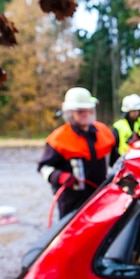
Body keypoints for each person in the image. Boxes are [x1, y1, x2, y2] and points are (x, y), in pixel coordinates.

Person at [37, 87, 119, 220]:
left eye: (88, 110)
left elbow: (116, 161)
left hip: (101, 195)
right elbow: (43, 168)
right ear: (70, 113)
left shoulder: (104, 132)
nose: (85, 114)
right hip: (72, 201)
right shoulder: (58, 139)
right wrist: (59, 176)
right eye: (81, 111)